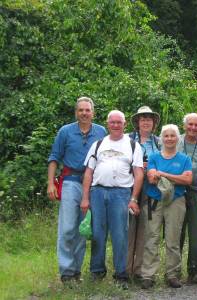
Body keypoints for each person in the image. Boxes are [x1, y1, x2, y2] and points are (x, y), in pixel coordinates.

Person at [80, 110, 144, 289]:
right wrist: (85, 198)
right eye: (112, 122)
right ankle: (97, 272)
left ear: (124, 125)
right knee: (98, 234)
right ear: (108, 124)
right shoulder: (98, 144)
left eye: (119, 122)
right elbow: (88, 172)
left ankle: (121, 275)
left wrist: (134, 198)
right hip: (98, 192)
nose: (116, 125)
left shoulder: (133, 145)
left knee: (120, 235)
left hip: (121, 194)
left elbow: (139, 175)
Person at [47, 96, 107, 283]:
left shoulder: (101, 131)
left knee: (83, 229)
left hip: (92, 185)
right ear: (76, 112)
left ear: (93, 112)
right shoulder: (65, 131)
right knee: (67, 228)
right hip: (70, 182)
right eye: (80, 110)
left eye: (87, 110)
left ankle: (76, 271)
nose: (84, 113)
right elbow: (54, 158)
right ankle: (66, 271)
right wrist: (50, 184)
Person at [141, 124, 192, 289]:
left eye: (173, 136)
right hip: (154, 200)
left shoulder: (185, 159)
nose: (169, 139)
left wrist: (162, 174)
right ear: (161, 138)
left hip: (176, 201)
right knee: (152, 237)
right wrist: (176, 177)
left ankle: (173, 274)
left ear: (178, 138)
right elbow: (151, 179)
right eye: (166, 136)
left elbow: (188, 180)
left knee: (173, 239)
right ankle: (148, 275)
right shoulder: (154, 157)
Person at [126, 106, 160, 281]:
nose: (146, 122)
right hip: (130, 187)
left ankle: (139, 269)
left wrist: (152, 169)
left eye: (149, 119)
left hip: (151, 190)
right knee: (128, 228)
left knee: (145, 231)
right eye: (142, 119)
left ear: (154, 123)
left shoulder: (159, 142)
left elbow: (165, 161)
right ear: (137, 122)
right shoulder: (127, 140)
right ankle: (125, 268)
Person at [177, 113, 197, 284]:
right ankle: (174, 270)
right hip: (178, 192)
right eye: (190, 124)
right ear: (184, 125)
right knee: (177, 232)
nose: (193, 128)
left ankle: (195, 271)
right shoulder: (176, 140)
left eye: (196, 125)